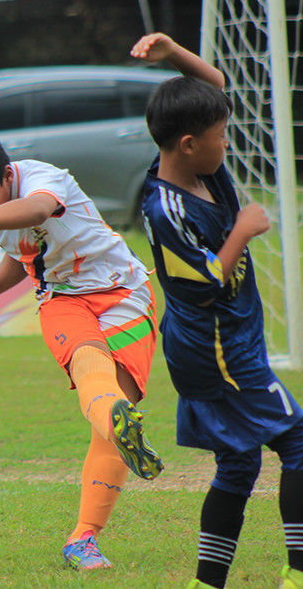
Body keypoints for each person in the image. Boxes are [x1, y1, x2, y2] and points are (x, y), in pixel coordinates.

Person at [0, 126, 164, 570]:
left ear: (5, 174)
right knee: (93, 371)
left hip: (126, 293)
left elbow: (35, 211)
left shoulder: (43, 178)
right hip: (61, 298)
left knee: (115, 406)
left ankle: (83, 537)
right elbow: (23, 253)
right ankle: (116, 433)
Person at [132, 32, 303, 589]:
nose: (227, 142)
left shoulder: (204, 173)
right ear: (187, 143)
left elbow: (216, 88)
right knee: (298, 441)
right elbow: (204, 282)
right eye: (221, 136)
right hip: (217, 348)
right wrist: (243, 232)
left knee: (239, 462)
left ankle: (206, 584)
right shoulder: (163, 208)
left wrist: (174, 52)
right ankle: (298, 574)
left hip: (225, 342)